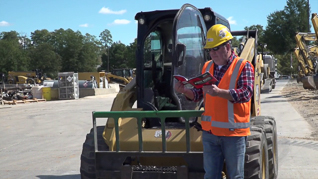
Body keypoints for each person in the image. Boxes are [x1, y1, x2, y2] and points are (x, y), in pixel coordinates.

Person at [174, 24, 254, 179]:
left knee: (235, 176)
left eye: (216, 48)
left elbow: (246, 94)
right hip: (210, 134)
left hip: (233, 134)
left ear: (228, 46)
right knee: (210, 176)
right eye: (210, 49)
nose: (212, 53)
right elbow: (198, 94)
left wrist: (219, 92)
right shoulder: (207, 66)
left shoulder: (243, 66)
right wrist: (185, 91)